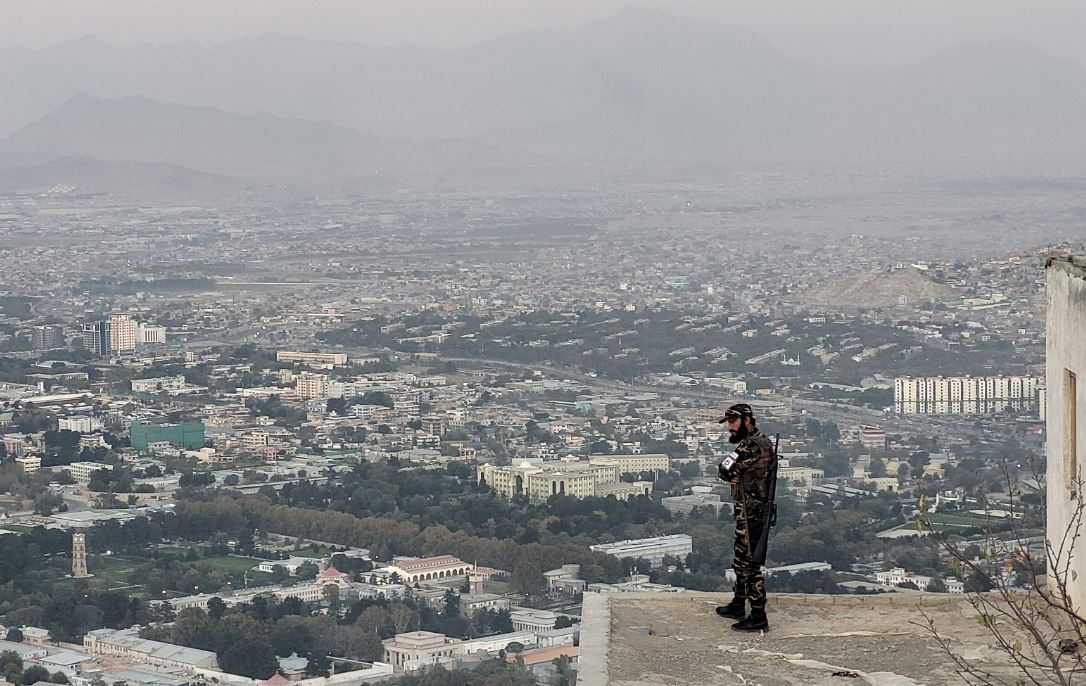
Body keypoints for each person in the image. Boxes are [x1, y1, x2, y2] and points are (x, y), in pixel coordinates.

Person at [714, 403, 774, 631]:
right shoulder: (759, 442)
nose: (729, 427)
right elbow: (728, 470)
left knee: (749, 564)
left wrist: (732, 473)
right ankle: (739, 603)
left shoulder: (752, 446)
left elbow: (724, 468)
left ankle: (758, 615)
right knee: (741, 559)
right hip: (748, 510)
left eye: (733, 421)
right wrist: (732, 473)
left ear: (747, 420)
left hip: (752, 512)